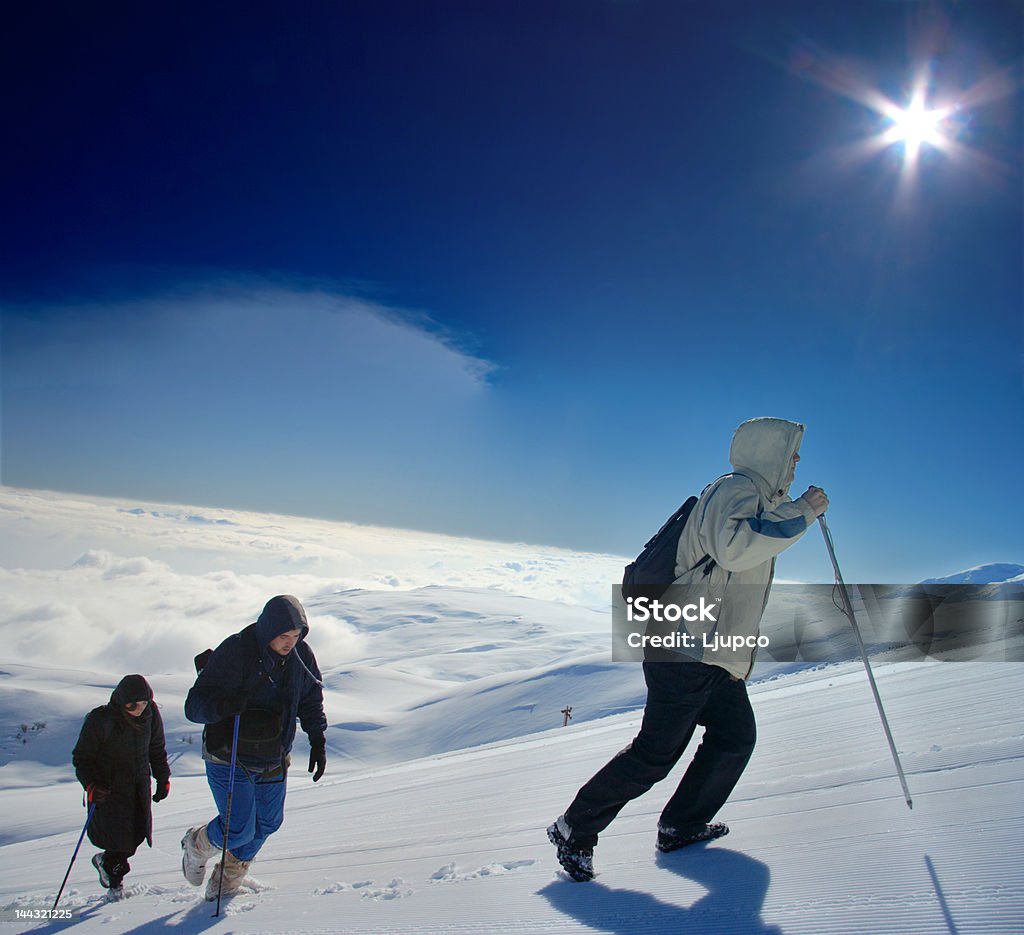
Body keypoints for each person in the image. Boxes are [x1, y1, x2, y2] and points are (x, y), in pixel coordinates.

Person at [548, 417, 829, 881]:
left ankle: (681, 824)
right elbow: (736, 550)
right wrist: (803, 511)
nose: (797, 462)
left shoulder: (756, 498)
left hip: (711, 653)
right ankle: (573, 828)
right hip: (684, 648)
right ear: (770, 454)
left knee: (735, 737)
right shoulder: (735, 489)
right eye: (792, 453)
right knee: (655, 755)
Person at [182, 594, 328, 900]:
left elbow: (310, 700)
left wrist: (318, 738)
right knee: (237, 829)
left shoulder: (302, 656)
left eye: (296, 635)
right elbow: (194, 707)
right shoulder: (236, 651)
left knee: (268, 822)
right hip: (229, 753)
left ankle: (229, 875)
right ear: (267, 629)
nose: (290, 643)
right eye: (284, 636)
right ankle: (196, 845)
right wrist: (223, 705)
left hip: (274, 754)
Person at [72, 674, 171, 896]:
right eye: (132, 705)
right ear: (121, 701)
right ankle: (114, 883)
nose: (139, 709)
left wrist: (162, 779)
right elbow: (82, 758)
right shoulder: (101, 720)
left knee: (135, 837)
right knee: (119, 842)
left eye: (144, 703)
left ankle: (108, 865)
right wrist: (91, 787)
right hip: (108, 791)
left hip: (138, 788)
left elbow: (156, 749)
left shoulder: (151, 715)